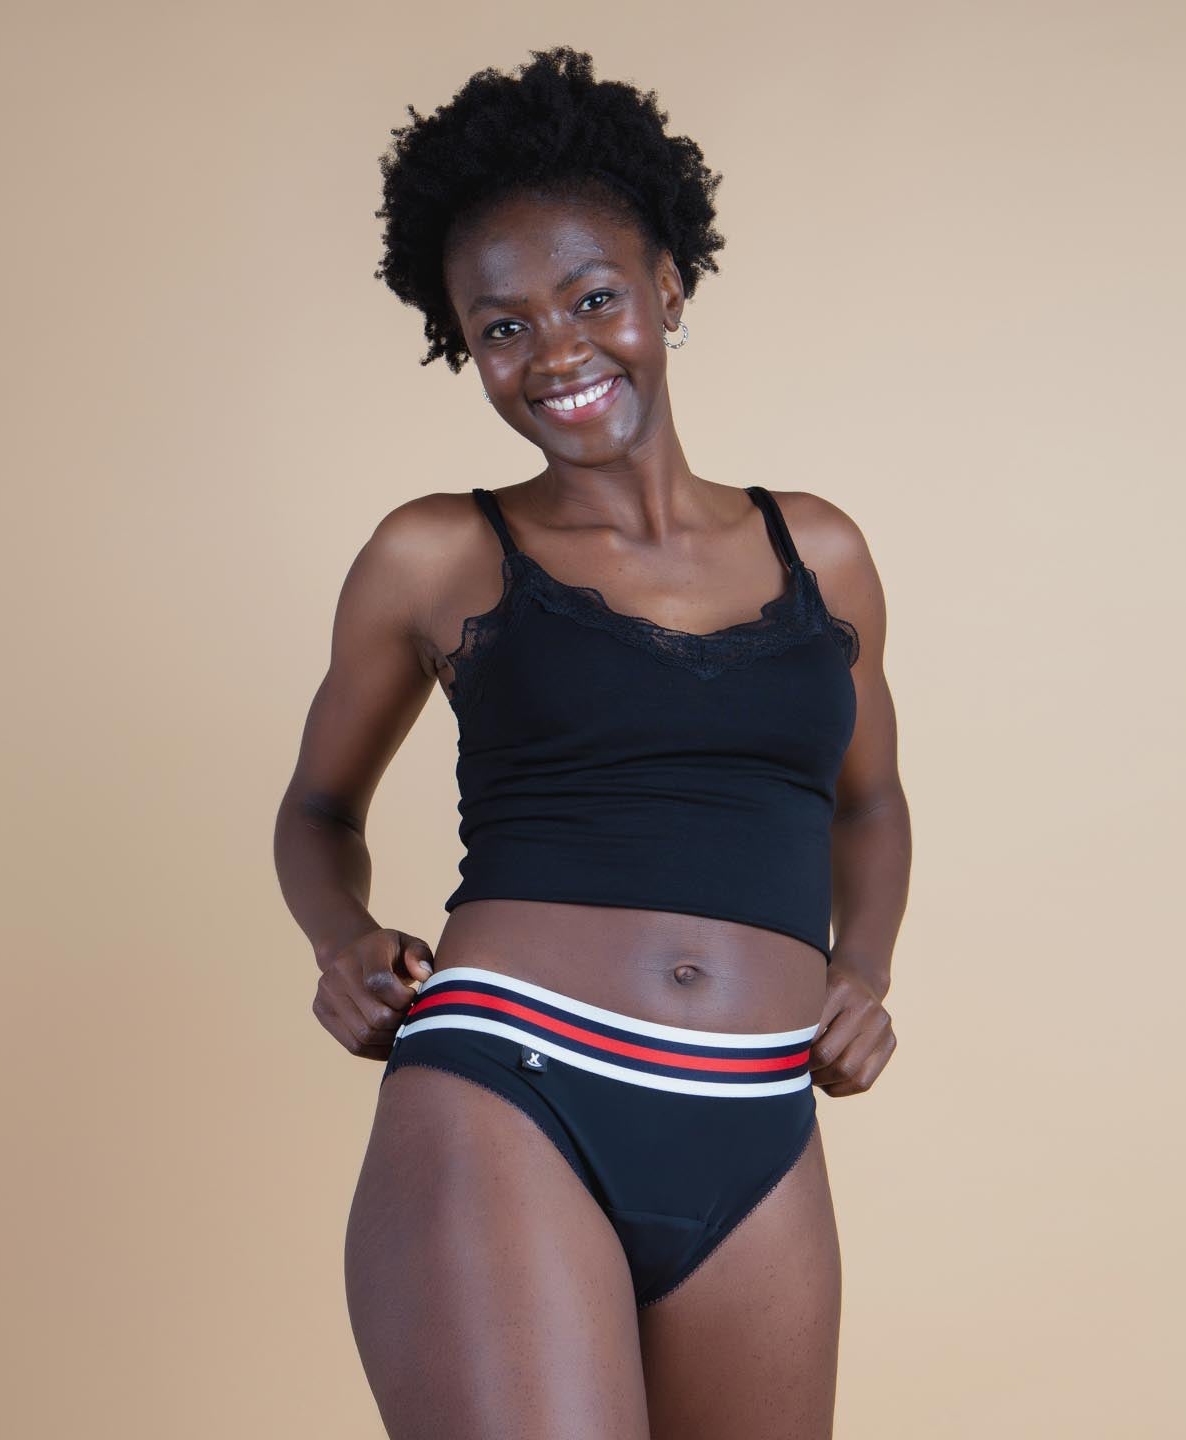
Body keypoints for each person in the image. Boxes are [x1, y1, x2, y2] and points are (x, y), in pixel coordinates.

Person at [273, 45, 911, 1440]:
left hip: (755, 1118)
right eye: (501, 326)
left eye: (593, 297)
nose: (557, 352)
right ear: (462, 345)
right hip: (512, 1090)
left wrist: (863, 968)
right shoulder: (436, 554)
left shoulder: (823, 552)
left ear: (667, 287)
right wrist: (342, 940)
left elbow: (869, 803)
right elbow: (317, 809)